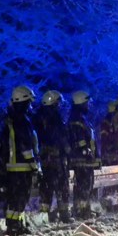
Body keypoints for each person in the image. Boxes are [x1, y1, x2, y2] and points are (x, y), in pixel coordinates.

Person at [0, 86, 40, 235]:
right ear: (23, 102)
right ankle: (14, 226)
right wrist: (35, 166)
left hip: (13, 169)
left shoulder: (12, 120)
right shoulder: (22, 121)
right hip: (22, 168)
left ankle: (16, 224)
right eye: (29, 102)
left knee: (15, 199)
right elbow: (26, 146)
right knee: (19, 198)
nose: (30, 106)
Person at [34, 90, 70, 222]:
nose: (60, 106)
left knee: (48, 187)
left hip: (48, 160)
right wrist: (64, 149)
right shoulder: (51, 118)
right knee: (59, 186)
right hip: (53, 159)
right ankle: (63, 214)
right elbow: (58, 137)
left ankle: (45, 215)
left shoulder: (41, 117)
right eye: (58, 103)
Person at [67, 90, 100, 219]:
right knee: (84, 186)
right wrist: (86, 151)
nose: (88, 105)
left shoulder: (79, 118)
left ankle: (83, 209)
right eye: (87, 103)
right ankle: (82, 211)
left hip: (84, 159)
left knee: (85, 186)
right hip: (82, 159)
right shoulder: (77, 119)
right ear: (81, 103)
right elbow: (79, 139)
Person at [99, 101, 118, 166]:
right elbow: (105, 139)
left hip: (111, 151)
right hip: (108, 154)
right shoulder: (107, 122)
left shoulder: (111, 121)